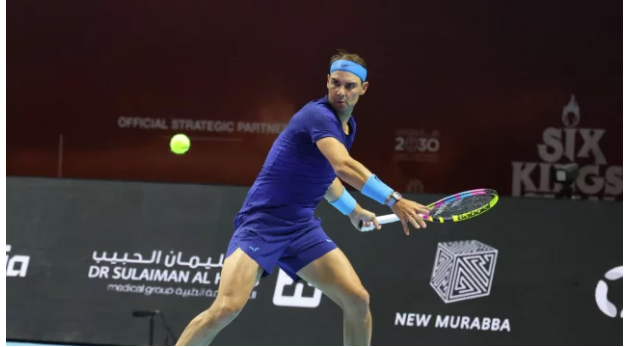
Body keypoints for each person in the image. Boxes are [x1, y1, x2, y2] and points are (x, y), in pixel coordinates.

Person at [176, 50, 430, 346]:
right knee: (225, 309)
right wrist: (394, 200)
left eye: (350, 86)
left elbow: (325, 178)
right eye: (336, 83)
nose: (341, 91)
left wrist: (352, 210)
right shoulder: (317, 115)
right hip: (263, 223)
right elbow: (343, 167)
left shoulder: (347, 128)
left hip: (301, 228)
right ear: (327, 81)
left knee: (357, 299)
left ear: (364, 88)